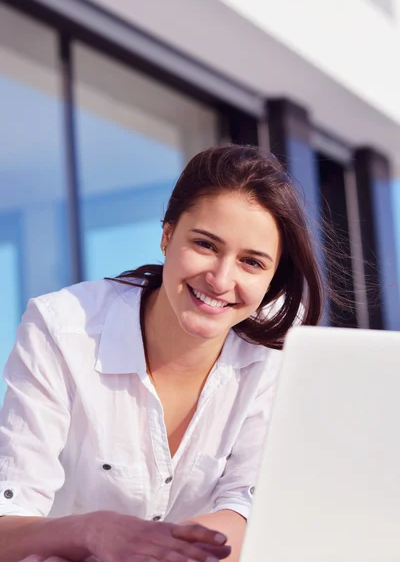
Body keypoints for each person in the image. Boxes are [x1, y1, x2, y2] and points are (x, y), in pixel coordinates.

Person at [0, 144, 326, 562]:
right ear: (167, 234)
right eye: (206, 245)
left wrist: (166, 551)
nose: (221, 280)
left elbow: (249, 505)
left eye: (252, 262)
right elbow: (8, 522)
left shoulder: (279, 346)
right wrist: (93, 531)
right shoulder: (63, 328)